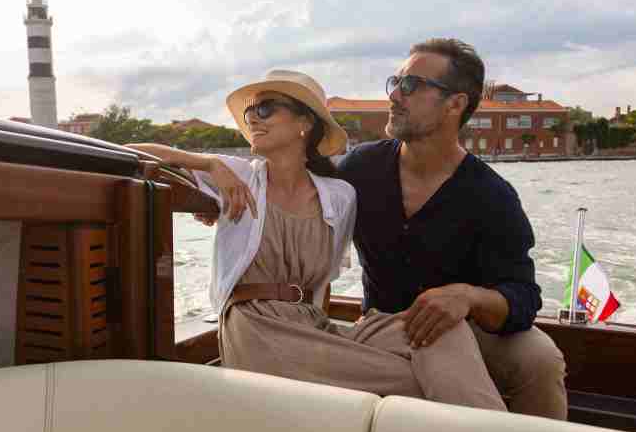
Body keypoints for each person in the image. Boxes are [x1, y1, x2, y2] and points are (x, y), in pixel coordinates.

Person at [129, 69, 505, 411]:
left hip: (311, 323)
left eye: (267, 108)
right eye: (251, 112)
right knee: (419, 380)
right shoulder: (238, 175)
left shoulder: (339, 196)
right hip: (256, 328)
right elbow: (131, 154)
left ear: (304, 123)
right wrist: (207, 164)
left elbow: (322, 285)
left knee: (438, 330)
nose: (253, 118)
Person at [337, 38, 567, 419]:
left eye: (411, 86)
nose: (395, 96)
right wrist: (212, 182)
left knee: (541, 359)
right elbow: (296, 199)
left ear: (455, 104)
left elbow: (523, 296)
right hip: (383, 323)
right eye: (395, 82)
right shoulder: (361, 168)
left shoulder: (491, 195)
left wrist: (468, 297)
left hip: (469, 326)